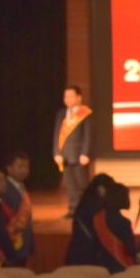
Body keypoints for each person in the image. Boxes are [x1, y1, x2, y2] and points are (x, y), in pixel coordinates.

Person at [53, 85, 93, 218]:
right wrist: (56, 153)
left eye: (71, 96)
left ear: (79, 98)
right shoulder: (61, 113)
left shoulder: (85, 113)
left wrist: (85, 153)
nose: (68, 99)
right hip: (64, 155)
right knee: (70, 186)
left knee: (82, 185)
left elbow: (88, 134)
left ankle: (85, 211)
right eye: (66, 96)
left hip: (79, 155)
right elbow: (57, 134)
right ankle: (73, 210)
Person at [65, 173, 115, 265]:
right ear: (101, 188)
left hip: (78, 250)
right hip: (88, 252)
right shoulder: (97, 206)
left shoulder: (85, 201)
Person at [93, 182, 138, 273]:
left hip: (99, 266)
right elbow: (131, 249)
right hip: (120, 267)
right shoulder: (123, 222)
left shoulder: (97, 218)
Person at [1, 151, 34, 266]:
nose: (24, 170)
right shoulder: (4, 189)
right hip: (11, 245)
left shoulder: (22, 188)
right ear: (9, 169)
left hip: (23, 244)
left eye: (26, 167)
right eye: (20, 167)